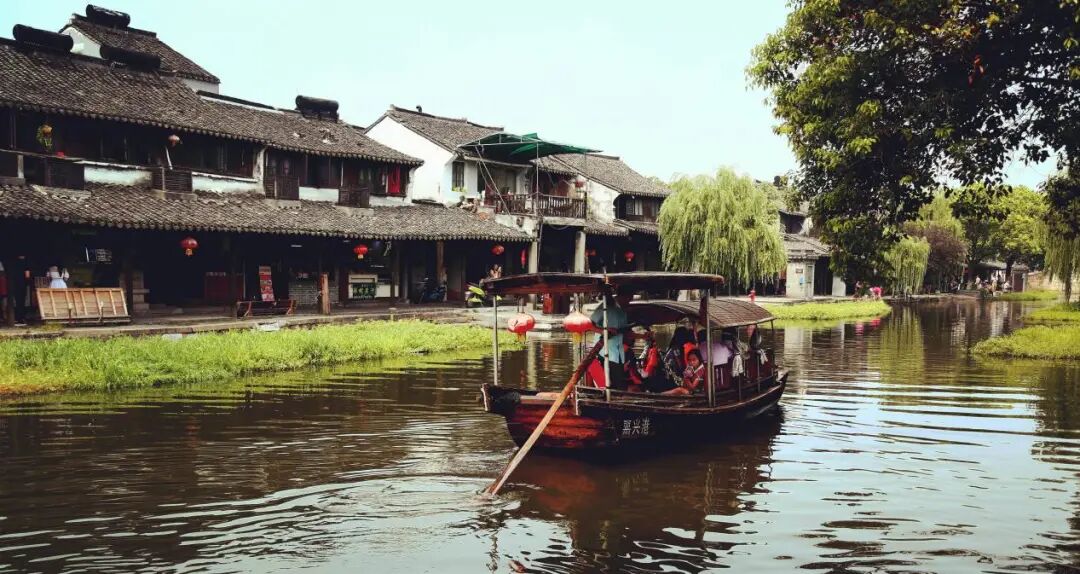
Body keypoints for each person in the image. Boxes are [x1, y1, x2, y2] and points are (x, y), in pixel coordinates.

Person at [589, 291, 632, 390]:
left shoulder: (622, 312)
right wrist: (603, 331)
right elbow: (589, 324)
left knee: (619, 383)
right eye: (627, 299)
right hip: (604, 352)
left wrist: (643, 336)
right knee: (607, 384)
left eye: (630, 299)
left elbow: (625, 332)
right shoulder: (605, 307)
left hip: (618, 354)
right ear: (621, 296)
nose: (628, 302)